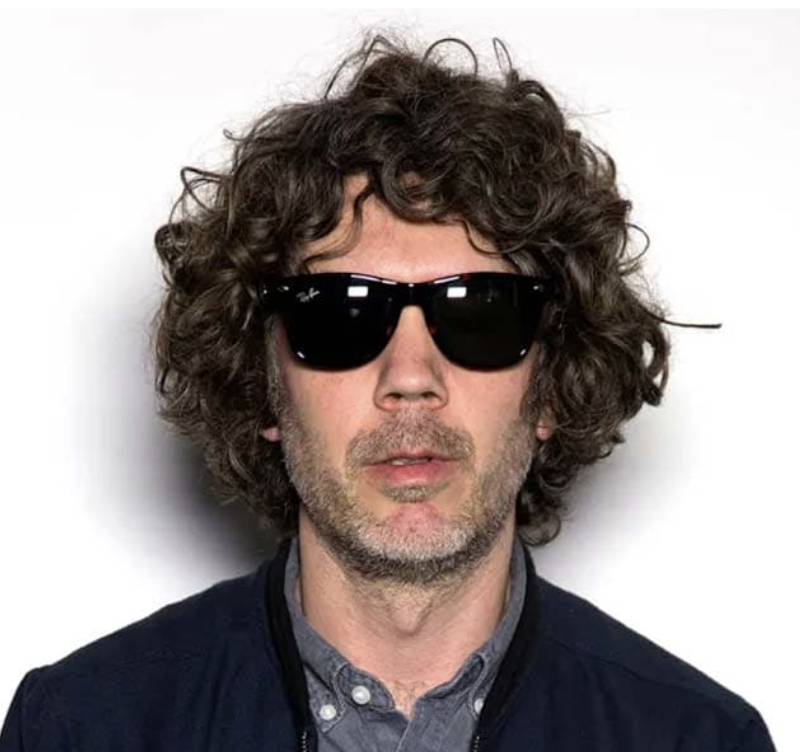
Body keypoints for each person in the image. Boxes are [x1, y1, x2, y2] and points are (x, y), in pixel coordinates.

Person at [0, 34, 776, 752]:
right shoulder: (83, 729)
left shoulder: (698, 740)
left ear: (551, 387)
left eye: (478, 315)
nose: (410, 379)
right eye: (340, 316)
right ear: (265, 388)